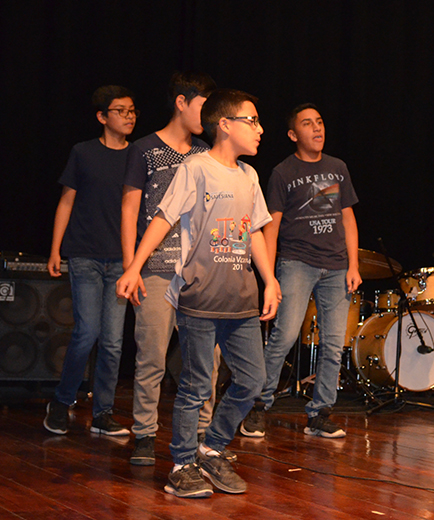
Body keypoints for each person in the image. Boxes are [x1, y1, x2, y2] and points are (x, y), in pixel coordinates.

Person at [117, 89, 279, 498]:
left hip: (239, 298)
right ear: (225, 125)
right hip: (200, 297)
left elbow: (255, 230)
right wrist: (134, 267)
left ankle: (211, 448)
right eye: (252, 120)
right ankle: (182, 464)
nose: (260, 130)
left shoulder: (250, 176)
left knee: (253, 379)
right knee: (195, 384)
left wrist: (270, 280)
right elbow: (163, 217)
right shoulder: (196, 168)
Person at [239, 103, 360, 440]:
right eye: (308, 124)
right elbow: (271, 228)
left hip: (336, 267)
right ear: (293, 135)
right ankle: (258, 405)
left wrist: (353, 264)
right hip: (297, 263)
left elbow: (348, 218)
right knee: (285, 336)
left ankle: (320, 413)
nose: (317, 129)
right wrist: (271, 278)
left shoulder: (338, 168)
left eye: (320, 122)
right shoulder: (282, 172)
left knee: (334, 344)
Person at [121, 71, 221, 466]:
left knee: (206, 359)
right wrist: (133, 266)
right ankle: (145, 432)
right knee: (152, 356)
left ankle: (203, 431)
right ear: (182, 102)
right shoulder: (145, 149)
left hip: (198, 273)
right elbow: (130, 209)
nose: (209, 116)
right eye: (203, 106)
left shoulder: (205, 153)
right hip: (157, 268)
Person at [44, 85, 139, 437]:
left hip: (120, 260)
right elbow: (66, 201)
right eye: (120, 111)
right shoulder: (83, 153)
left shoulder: (138, 155)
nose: (129, 116)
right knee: (87, 332)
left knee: (114, 341)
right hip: (84, 254)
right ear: (102, 117)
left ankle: (103, 413)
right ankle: (62, 400)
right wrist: (56, 250)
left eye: (132, 111)